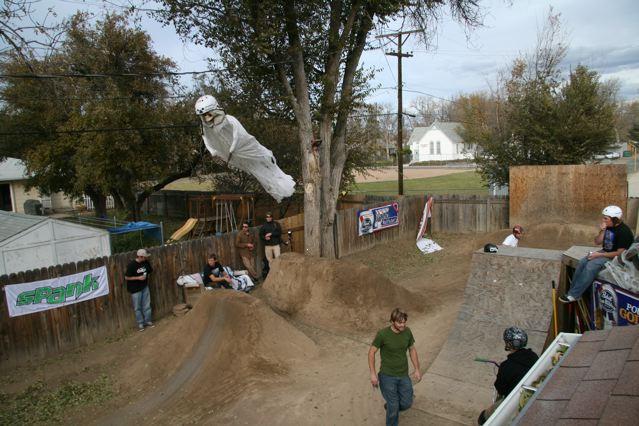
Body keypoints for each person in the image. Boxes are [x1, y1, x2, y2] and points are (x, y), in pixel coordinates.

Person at [195, 95, 295, 202]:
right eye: (204, 116)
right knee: (260, 174)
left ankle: (284, 184)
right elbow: (209, 141)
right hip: (238, 158)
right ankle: (279, 191)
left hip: (248, 150)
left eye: (208, 114)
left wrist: (234, 148)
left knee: (266, 164)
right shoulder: (207, 129)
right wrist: (215, 152)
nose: (207, 118)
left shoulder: (230, 120)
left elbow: (240, 135)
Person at [559, 205, 634, 303]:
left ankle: (574, 295)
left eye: (606, 218)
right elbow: (597, 242)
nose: (603, 220)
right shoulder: (609, 227)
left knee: (591, 266)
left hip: (615, 257)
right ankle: (572, 293)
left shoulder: (624, 232)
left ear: (615, 219)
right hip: (605, 252)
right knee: (582, 262)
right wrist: (603, 230)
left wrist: (599, 255)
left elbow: (620, 253)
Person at [368, 308, 422, 426]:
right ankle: (392, 410)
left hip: (403, 374)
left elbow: (412, 350)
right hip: (387, 376)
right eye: (399, 323)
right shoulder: (383, 334)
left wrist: (417, 369)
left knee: (407, 403)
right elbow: (371, 352)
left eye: (404, 322)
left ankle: (391, 406)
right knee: (394, 406)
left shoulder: (407, 332)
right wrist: (372, 373)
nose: (402, 325)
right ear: (392, 321)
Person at [478, 327, 539, 424]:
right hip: (533, 393)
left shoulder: (506, 366)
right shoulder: (534, 356)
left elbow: (500, 389)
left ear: (509, 344)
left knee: (484, 418)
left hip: (514, 401)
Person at [124, 248, 154, 332]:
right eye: (144, 257)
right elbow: (126, 277)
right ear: (140, 257)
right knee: (137, 307)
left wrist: (146, 275)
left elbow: (150, 270)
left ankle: (148, 321)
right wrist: (138, 277)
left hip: (144, 287)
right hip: (135, 289)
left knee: (147, 305)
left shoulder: (146, 262)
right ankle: (141, 324)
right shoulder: (131, 265)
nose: (146, 258)